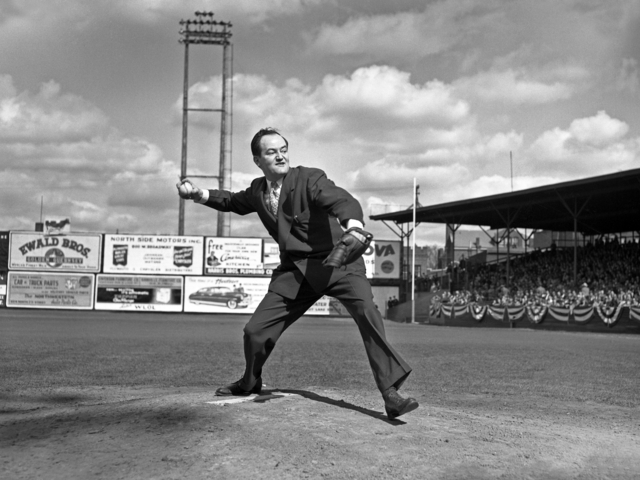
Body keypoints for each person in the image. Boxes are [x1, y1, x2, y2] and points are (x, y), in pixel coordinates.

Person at [176, 127, 418, 420]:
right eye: (271, 151)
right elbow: (230, 202)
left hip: (337, 264)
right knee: (255, 331)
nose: (280, 155)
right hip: (296, 271)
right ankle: (249, 382)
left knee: (368, 314)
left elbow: (341, 200)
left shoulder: (309, 178)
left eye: (283, 149)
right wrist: (197, 194)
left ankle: (390, 393)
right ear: (257, 160)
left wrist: (353, 225)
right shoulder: (257, 191)